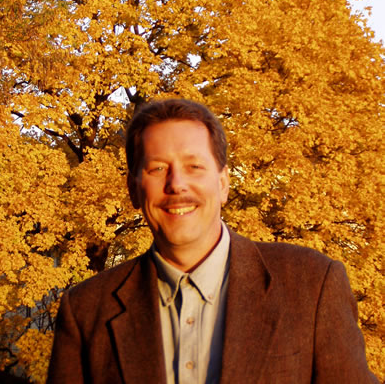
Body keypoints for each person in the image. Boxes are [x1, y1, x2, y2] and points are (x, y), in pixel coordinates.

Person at [47, 98, 379, 384]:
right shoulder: (86, 311)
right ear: (134, 189)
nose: (177, 184)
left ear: (223, 184)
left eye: (194, 166)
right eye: (158, 169)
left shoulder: (312, 285)